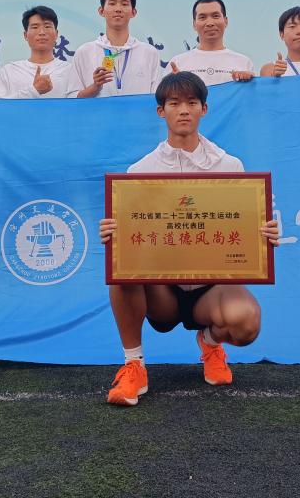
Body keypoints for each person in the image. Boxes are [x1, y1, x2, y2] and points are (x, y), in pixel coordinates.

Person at [98, 72, 279, 406]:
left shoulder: (229, 166)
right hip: (162, 291)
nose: (184, 110)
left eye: (192, 103)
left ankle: (210, 343)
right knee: (120, 268)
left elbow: (244, 226)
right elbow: (133, 237)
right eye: (174, 103)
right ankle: (134, 364)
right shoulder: (140, 172)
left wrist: (263, 234)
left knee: (246, 323)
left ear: (204, 109)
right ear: (160, 111)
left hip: (212, 288)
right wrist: (115, 234)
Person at [68, 0, 164, 98]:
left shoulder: (149, 53)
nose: (118, 9)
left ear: (133, 12)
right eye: (112, 3)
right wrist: (94, 87)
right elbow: (72, 98)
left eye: (124, 4)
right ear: (101, 11)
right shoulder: (85, 52)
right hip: (98, 111)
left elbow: (157, 99)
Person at [168, 0, 255, 85]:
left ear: (226, 21)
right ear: (194, 24)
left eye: (215, 16)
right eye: (202, 17)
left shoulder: (244, 63)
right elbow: (163, 92)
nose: (210, 23)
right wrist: (174, 85)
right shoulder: (177, 63)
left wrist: (249, 82)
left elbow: (250, 93)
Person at [0, 6, 74, 98]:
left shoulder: (69, 70)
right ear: (25, 35)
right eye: (35, 27)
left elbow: (78, 103)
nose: (42, 32)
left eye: (47, 26)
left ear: (56, 34)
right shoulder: (9, 71)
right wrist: (34, 91)